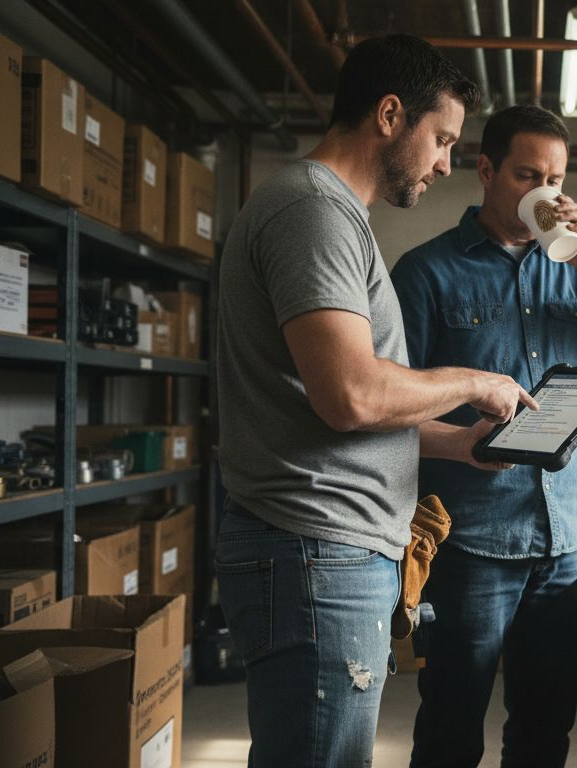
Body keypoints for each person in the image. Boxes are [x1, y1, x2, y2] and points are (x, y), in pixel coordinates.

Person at [213, 35, 537, 767]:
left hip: (325, 554)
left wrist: (455, 443)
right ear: (391, 115)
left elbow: (318, 402)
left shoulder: (329, 215)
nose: (447, 163)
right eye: (443, 138)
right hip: (314, 555)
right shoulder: (312, 213)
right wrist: (474, 382)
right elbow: (352, 394)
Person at [391, 104, 577, 768]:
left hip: (563, 542)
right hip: (472, 546)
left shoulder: (575, 271)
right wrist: (460, 442)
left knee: (546, 732)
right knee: (452, 729)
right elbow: (389, 413)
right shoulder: (427, 274)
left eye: (557, 177)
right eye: (526, 174)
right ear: (485, 171)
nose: (545, 190)